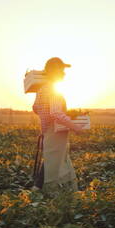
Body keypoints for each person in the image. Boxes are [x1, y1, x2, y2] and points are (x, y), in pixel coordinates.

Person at [32, 57, 84, 194]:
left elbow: (35, 108)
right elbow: (56, 113)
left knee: (52, 160)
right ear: (55, 71)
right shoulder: (53, 90)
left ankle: (36, 189)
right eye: (61, 70)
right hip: (55, 132)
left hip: (47, 131)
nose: (64, 73)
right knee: (55, 166)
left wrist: (45, 118)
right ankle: (53, 195)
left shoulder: (41, 89)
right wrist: (75, 126)